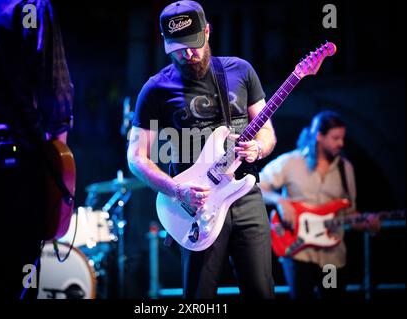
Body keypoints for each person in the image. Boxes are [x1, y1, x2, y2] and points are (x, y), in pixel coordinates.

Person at [127, 1, 276, 298]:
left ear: (207, 31)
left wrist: (258, 149)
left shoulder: (241, 71)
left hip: (245, 196)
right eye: (178, 48)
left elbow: (268, 133)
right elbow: (136, 156)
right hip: (195, 205)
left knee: (261, 291)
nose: (188, 54)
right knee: (199, 296)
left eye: (193, 43)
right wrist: (175, 190)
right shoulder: (155, 89)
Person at [0, 0, 73, 299]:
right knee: (20, 282)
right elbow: (55, 93)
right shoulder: (31, 6)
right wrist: (57, 173)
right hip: (12, 173)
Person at [259, 110, 380, 299]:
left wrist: (366, 224)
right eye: (335, 138)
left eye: (342, 138)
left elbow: (350, 212)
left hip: (331, 257)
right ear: (319, 136)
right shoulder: (291, 162)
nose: (341, 143)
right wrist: (280, 201)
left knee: (331, 296)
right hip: (297, 252)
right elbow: (256, 185)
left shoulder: (345, 168)